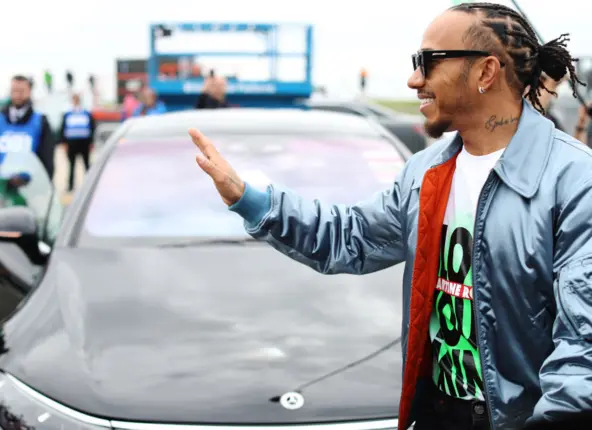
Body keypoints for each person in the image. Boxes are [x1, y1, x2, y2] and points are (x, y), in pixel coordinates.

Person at [189, 3, 592, 430]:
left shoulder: (574, 181)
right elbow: (350, 237)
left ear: (485, 72)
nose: (414, 79)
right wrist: (249, 199)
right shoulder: (427, 171)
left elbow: (582, 349)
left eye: (427, 62)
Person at [0, 75, 55, 206]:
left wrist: (44, 191)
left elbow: (47, 160)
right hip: (2, 188)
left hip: (30, 188)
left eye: (21, 91)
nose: (17, 95)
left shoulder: (41, 121)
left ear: (29, 92)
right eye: (14, 91)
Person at [59, 93, 96, 192]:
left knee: (87, 165)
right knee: (71, 166)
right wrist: (64, 143)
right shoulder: (67, 113)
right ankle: (70, 186)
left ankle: (90, 185)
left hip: (84, 143)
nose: (75, 101)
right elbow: (63, 128)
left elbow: (92, 127)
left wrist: (91, 142)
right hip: (72, 143)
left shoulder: (86, 113)